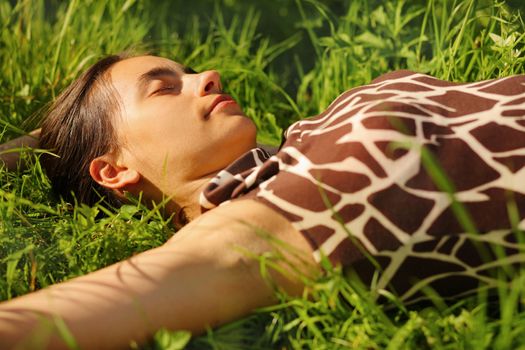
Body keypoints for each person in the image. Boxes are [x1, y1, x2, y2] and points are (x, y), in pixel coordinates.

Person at [1, 53, 524, 349]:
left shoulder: (293, 153)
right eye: (164, 89)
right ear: (114, 171)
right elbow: (68, 316)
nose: (207, 77)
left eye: (187, 74)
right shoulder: (255, 226)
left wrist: (34, 148)